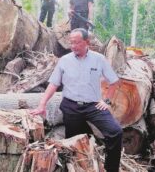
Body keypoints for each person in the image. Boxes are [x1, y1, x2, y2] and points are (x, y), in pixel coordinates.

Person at [31, 28, 122, 172]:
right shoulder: (64, 61)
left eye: (77, 43)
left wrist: (107, 101)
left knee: (115, 131)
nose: (73, 46)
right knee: (73, 142)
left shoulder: (99, 59)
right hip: (71, 106)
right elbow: (54, 84)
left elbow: (114, 82)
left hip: (94, 106)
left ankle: (111, 169)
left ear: (87, 42)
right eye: (71, 43)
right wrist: (42, 105)